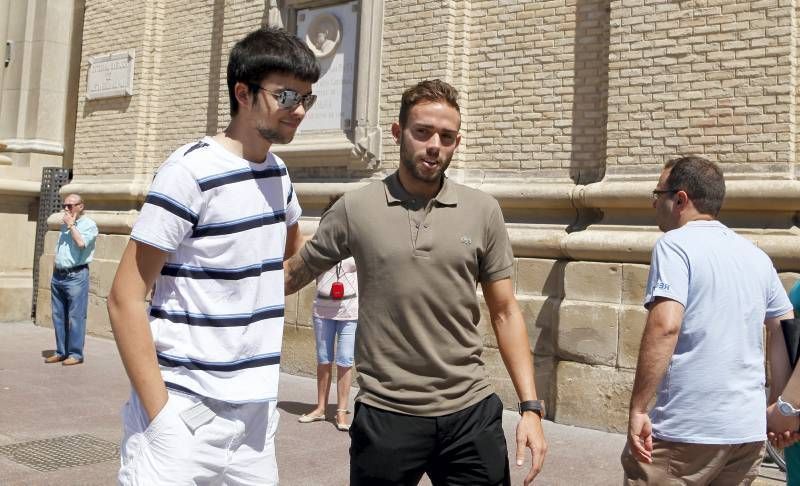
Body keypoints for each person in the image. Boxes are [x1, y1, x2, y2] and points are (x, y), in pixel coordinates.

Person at [284, 79, 547, 486]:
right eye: (422, 132)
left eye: (446, 136)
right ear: (397, 133)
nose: (434, 145)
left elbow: (505, 311)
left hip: (470, 413)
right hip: (387, 413)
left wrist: (530, 407)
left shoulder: (483, 211)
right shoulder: (356, 209)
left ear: (456, 142)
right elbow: (292, 274)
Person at [107, 27, 319, 485]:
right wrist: (161, 418)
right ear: (243, 92)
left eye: (307, 98)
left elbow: (281, 270)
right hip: (181, 411)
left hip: (256, 420)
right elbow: (125, 297)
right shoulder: (189, 171)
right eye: (286, 96)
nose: (299, 111)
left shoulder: (279, 176)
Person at [622, 156, 793, 485]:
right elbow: (784, 325)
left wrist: (639, 408)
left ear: (681, 199)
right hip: (746, 433)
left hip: (685, 431)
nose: (654, 202)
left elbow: (665, 326)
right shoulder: (756, 255)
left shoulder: (675, 245)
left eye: (658, 194)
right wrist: (778, 406)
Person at [298, 198, 358, 430]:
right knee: (324, 360)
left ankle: (341, 412)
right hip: (322, 311)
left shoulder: (356, 245)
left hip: (349, 312)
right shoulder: (318, 246)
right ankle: (321, 408)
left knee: (345, 361)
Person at [46, 193, 98, 366]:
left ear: (80, 206)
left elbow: (81, 244)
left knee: (76, 317)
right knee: (58, 315)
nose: (66, 209)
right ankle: (61, 351)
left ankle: (75, 354)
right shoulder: (64, 225)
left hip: (76, 276)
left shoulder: (89, 225)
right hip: (59, 275)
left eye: (70, 205)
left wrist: (72, 225)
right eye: (65, 205)